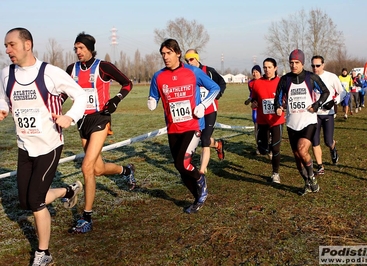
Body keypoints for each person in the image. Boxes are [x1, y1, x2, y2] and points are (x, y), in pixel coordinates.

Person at [0, 28, 86, 266]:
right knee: (25, 201)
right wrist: (3, 108)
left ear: (28, 45)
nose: (7, 50)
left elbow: (80, 96)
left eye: (11, 45)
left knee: (36, 201)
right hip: (24, 146)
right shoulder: (6, 74)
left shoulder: (49, 73)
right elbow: (3, 97)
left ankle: (43, 253)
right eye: (6, 45)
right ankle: (68, 191)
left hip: (49, 145)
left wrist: (70, 117)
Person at [65, 32, 134, 233]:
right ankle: (126, 170)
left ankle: (86, 217)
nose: (78, 52)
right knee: (97, 169)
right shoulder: (71, 69)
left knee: (86, 167)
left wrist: (115, 100)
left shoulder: (103, 67)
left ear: (90, 48)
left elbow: (127, 83)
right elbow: (61, 93)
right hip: (82, 121)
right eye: (75, 48)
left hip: (100, 119)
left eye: (81, 48)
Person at [148, 39, 220, 214]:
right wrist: (152, 100)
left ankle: (200, 180)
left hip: (193, 125)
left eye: (169, 53)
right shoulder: (158, 76)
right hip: (173, 128)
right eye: (163, 54)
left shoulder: (193, 72)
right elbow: (154, 96)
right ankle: (198, 197)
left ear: (178, 53)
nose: (165, 57)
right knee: (180, 168)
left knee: (183, 163)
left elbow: (215, 88)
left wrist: (203, 105)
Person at [274, 49, 330, 195]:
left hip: (309, 121)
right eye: (291, 63)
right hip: (292, 123)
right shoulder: (285, 80)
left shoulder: (311, 77)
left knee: (302, 149)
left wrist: (317, 105)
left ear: (302, 63)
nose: (293, 65)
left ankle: (312, 177)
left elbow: (325, 92)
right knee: (298, 157)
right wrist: (278, 107)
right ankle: (306, 183)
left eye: (296, 63)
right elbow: (277, 100)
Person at [184, 49, 226, 178]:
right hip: (195, 113)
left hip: (209, 110)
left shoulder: (208, 71)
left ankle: (202, 170)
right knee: (200, 138)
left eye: (191, 59)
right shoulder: (187, 73)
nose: (189, 62)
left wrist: (217, 94)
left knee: (204, 139)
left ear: (197, 58)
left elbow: (222, 83)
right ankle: (218, 144)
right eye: (187, 60)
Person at [250, 58, 285, 183]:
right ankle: (267, 147)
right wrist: (254, 103)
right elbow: (254, 99)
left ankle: (275, 174)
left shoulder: (281, 82)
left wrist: (282, 107)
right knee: (263, 149)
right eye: (265, 67)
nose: (267, 69)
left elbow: (286, 100)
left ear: (275, 68)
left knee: (276, 149)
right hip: (263, 120)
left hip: (277, 120)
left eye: (269, 67)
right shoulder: (257, 83)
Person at [310, 55, 346, 175]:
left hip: (327, 114)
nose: (315, 68)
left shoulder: (331, 77)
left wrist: (334, 102)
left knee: (327, 141)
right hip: (313, 114)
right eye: (313, 66)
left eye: (318, 65)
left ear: (323, 65)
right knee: (314, 141)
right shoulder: (309, 78)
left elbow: (343, 92)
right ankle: (320, 166)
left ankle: (332, 147)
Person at [245, 65, 262, 154]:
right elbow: (252, 93)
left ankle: (269, 144)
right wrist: (249, 100)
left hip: (264, 107)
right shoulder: (250, 83)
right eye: (253, 72)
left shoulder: (264, 81)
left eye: (256, 72)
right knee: (256, 126)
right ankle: (258, 146)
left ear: (260, 73)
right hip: (255, 107)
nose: (255, 74)